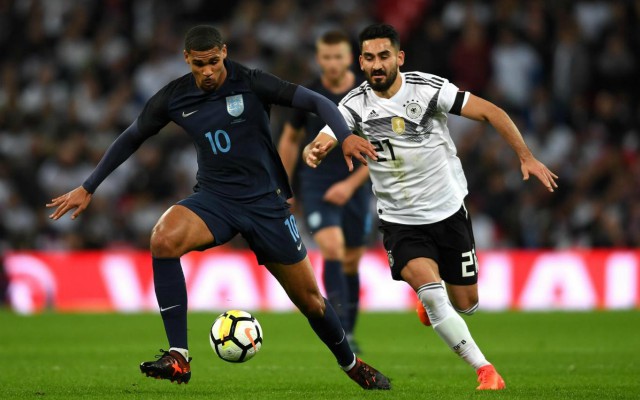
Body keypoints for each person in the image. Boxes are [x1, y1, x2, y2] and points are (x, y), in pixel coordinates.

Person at [47, 25, 389, 390]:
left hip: (265, 204)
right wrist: (89, 186)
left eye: (213, 61)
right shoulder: (174, 97)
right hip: (215, 199)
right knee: (163, 239)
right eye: (199, 64)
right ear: (187, 60)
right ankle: (178, 355)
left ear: (224, 52)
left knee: (311, 303)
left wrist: (345, 133)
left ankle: (352, 365)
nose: (208, 71)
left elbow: (318, 102)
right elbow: (133, 135)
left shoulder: (251, 81)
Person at [304, 23, 559, 391]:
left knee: (467, 302)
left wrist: (526, 157)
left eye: (384, 56)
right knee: (434, 295)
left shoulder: (428, 89)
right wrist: (319, 145)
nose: (377, 65)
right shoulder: (354, 103)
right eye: (370, 58)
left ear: (399, 58)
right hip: (400, 221)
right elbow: (330, 131)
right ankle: (485, 370)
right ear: (360, 62)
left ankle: (432, 297)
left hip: (448, 212)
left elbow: (491, 112)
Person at [278, 30, 370, 351]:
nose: (332, 63)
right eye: (326, 57)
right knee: (332, 247)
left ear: (350, 59)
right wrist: (282, 185)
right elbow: (290, 139)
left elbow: (382, 148)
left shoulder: (366, 95)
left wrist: (349, 185)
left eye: (338, 56)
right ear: (319, 59)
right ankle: (341, 331)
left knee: (351, 261)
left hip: (356, 183)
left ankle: (351, 329)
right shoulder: (309, 95)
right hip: (316, 183)